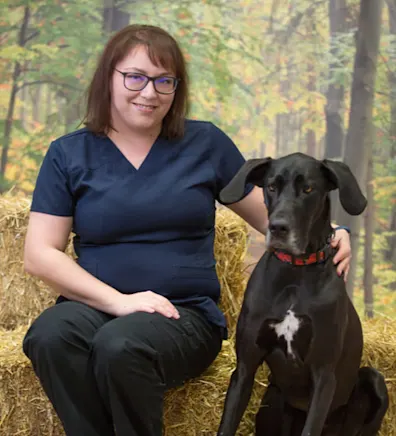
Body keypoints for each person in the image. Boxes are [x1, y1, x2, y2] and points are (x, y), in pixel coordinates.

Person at [22, 24, 352, 436]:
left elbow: (275, 213)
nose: (149, 92)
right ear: (108, 76)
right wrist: (121, 301)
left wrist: (334, 230)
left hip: (184, 314)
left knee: (122, 345)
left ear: (177, 88)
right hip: (94, 306)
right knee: (50, 335)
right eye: (135, 77)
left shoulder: (205, 143)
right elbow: (40, 254)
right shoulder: (68, 153)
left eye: (165, 81)